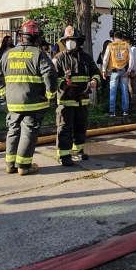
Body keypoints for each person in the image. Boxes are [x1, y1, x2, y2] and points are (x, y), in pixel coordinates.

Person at [0, 20, 55, 175]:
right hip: (33, 102)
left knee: (13, 130)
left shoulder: (8, 54)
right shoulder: (39, 54)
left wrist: (4, 92)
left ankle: (10, 164)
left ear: (21, 37)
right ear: (36, 38)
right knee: (28, 131)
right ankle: (24, 166)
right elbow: (50, 74)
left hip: (12, 102)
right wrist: (49, 95)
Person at [52, 26, 101, 166]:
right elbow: (53, 77)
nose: (69, 42)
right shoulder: (59, 58)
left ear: (78, 41)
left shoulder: (86, 58)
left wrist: (95, 80)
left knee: (81, 127)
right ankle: (64, 155)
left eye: (72, 39)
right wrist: (63, 85)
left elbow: (95, 72)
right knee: (64, 128)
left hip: (82, 100)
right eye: (67, 40)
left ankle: (77, 151)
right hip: (65, 101)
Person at [102, 31, 132, 116]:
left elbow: (105, 59)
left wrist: (104, 70)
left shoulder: (110, 45)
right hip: (124, 71)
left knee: (113, 91)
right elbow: (131, 59)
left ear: (114, 37)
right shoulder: (126, 45)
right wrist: (129, 70)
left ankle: (112, 112)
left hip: (114, 71)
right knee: (124, 90)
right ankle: (125, 111)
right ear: (122, 38)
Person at [127, 35, 136, 107]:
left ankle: (134, 104)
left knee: (132, 89)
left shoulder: (133, 49)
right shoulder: (126, 49)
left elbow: (135, 61)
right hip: (127, 72)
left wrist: (133, 71)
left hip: (131, 72)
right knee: (128, 89)